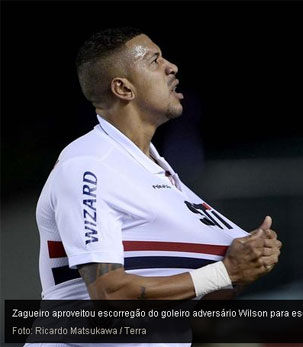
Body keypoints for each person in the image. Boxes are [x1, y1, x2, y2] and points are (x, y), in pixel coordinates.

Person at [32, 27, 281, 345]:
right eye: (154, 60)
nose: (171, 66)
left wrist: (249, 266)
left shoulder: (161, 175)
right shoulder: (89, 164)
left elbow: (195, 314)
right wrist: (226, 272)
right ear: (123, 88)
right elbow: (109, 296)